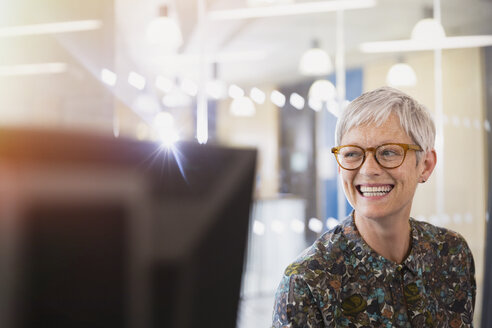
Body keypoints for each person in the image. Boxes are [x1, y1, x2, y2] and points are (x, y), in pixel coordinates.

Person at [272, 87, 476, 327]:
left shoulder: (452, 253)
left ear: (426, 165)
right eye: (352, 154)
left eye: (388, 152)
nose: (368, 170)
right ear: (339, 167)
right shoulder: (307, 281)